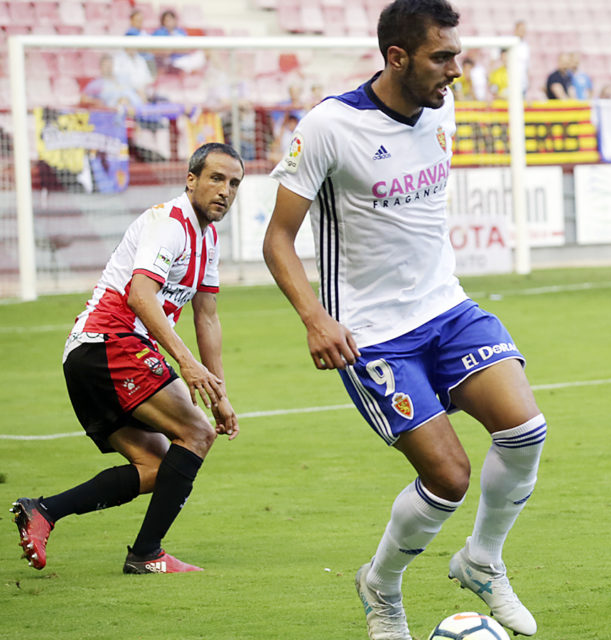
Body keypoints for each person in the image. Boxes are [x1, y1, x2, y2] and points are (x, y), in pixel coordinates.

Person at [262, 1, 546, 638]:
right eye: (442, 58)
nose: (456, 72)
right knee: (447, 476)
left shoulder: (442, 110)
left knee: (525, 430)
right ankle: (381, 586)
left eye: (458, 56)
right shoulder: (331, 126)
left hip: (446, 308)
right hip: (373, 334)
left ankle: (482, 561)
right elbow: (278, 238)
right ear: (397, 58)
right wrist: (315, 318)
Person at [10, 143, 244, 574]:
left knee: (159, 466)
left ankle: (43, 511)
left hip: (98, 353)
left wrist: (219, 393)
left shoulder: (207, 238)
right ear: (190, 179)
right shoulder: (168, 223)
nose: (225, 190)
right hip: (108, 341)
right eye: (216, 178)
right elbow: (140, 295)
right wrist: (187, 365)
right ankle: (146, 554)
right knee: (196, 433)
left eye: (234, 183)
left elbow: (207, 317)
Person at [81, 54, 145, 116]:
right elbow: (83, 98)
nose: (109, 67)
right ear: (101, 67)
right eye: (106, 65)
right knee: (123, 101)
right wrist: (97, 102)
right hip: (116, 111)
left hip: (137, 106)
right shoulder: (97, 83)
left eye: (110, 64)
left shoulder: (122, 77)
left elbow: (137, 90)